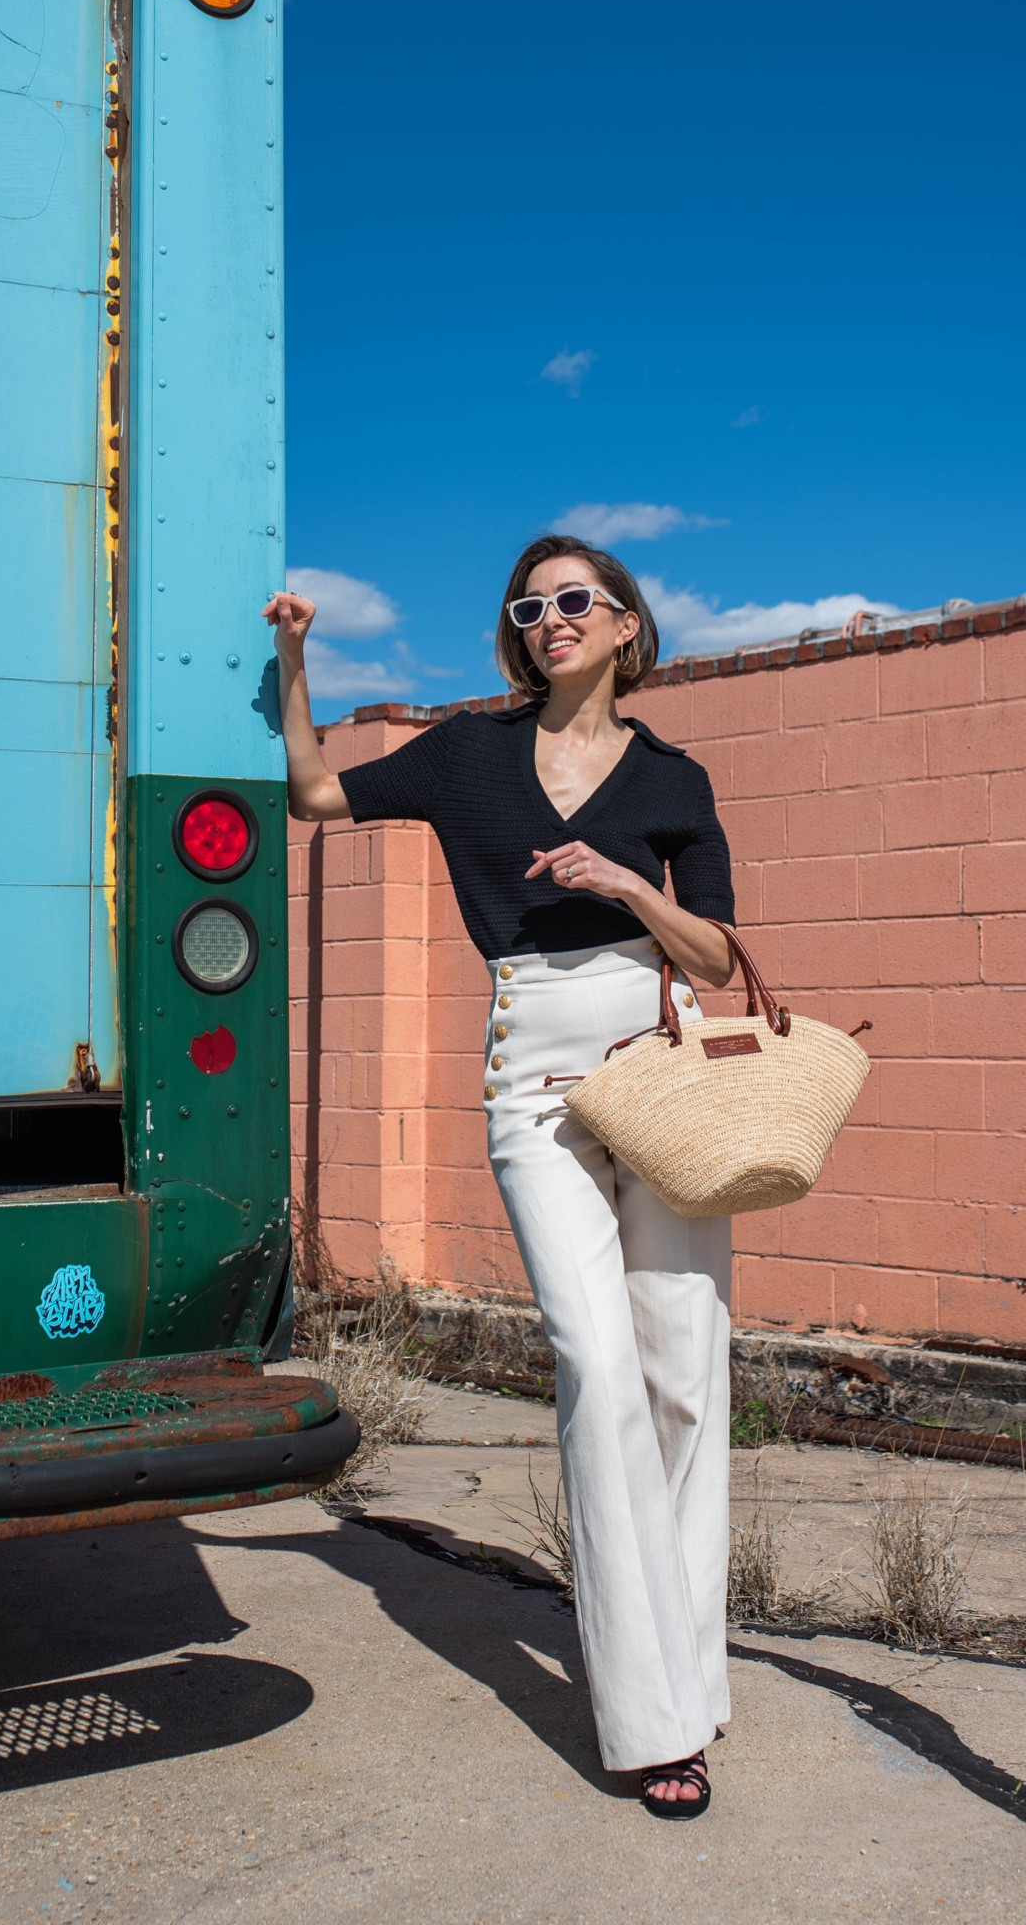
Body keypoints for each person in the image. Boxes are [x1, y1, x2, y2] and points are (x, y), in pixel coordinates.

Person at [265, 532, 738, 1819]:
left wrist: (627, 883)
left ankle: (694, 1672)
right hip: (532, 1068)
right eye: (530, 606)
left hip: (659, 1066)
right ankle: (650, 1720)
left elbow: (715, 963)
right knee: (595, 1363)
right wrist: (293, 663)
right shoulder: (470, 753)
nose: (549, 619)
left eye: (576, 600)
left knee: (686, 1375)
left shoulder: (676, 777)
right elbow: (315, 796)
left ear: (629, 626)